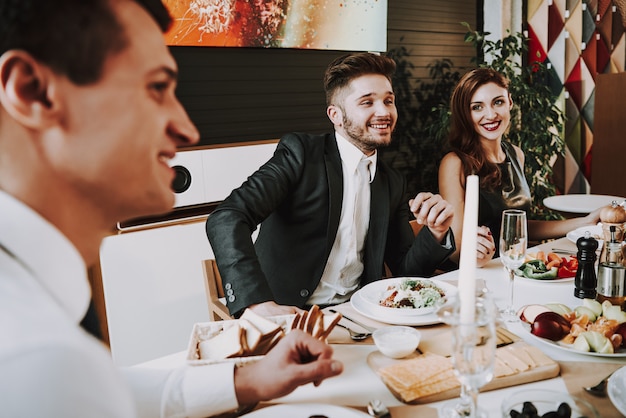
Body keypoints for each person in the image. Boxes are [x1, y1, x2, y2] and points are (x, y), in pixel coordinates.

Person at [0, 1, 343, 417]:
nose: (186, 128)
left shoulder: (47, 346)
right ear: (32, 91)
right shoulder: (34, 360)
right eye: (156, 88)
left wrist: (250, 378)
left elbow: (102, 388)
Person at [206, 52, 456, 318]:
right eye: (367, 102)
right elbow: (227, 218)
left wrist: (436, 232)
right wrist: (257, 305)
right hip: (288, 314)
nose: (384, 112)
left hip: (359, 315)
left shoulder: (392, 180)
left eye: (389, 101)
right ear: (335, 115)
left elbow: (405, 273)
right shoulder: (300, 155)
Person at [438, 67, 600, 268]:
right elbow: (455, 249)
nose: (490, 114)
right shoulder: (455, 163)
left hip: (512, 264)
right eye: (477, 107)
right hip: (476, 272)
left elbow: (521, 228)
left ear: (510, 103)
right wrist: (476, 255)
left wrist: (586, 222)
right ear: (465, 114)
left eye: (498, 102)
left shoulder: (516, 154)